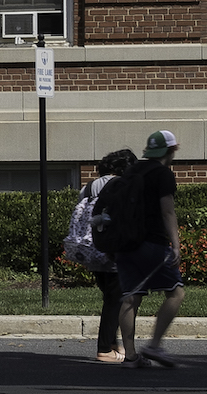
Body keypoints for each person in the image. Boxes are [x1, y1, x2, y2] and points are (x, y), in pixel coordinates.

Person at [99, 128, 186, 369]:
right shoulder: (162, 174)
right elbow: (167, 210)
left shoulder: (131, 171)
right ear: (171, 150)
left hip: (125, 245)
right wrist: (176, 245)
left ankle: (130, 355)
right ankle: (155, 345)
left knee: (130, 298)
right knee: (176, 293)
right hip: (152, 244)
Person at [69, 149, 137, 364]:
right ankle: (105, 349)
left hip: (92, 248)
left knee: (111, 297)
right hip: (114, 248)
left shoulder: (88, 187)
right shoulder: (121, 185)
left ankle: (114, 344)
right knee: (116, 300)